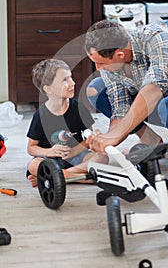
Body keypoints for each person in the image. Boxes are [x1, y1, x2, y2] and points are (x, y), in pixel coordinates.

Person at [84, 20, 168, 173]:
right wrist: (110, 136)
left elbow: (153, 89)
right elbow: (119, 105)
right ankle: (151, 140)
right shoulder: (111, 56)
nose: (98, 68)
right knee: (96, 89)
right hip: (155, 108)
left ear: (120, 54)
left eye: (100, 63)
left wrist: (119, 133)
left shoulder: (157, 37)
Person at [26, 58, 108, 187]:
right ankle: (82, 177)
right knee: (33, 165)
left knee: (102, 158)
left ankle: (56, 177)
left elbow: (88, 138)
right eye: (65, 80)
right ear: (48, 89)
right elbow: (31, 148)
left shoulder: (79, 108)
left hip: (77, 156)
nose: (72, 83)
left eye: (71, 77)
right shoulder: (40, 115)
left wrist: (75, 150)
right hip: (51, 160)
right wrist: (50, 152)